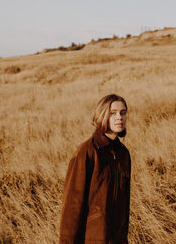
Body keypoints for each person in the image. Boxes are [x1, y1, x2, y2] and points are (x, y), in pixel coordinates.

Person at [59, 94, 131, 244]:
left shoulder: (123, 153)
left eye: (123, 112)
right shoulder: (87, 152)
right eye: (113, 113)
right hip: (93, 238)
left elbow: (124, 204)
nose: (119, 117)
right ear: (103, 115)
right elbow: (72, 207)